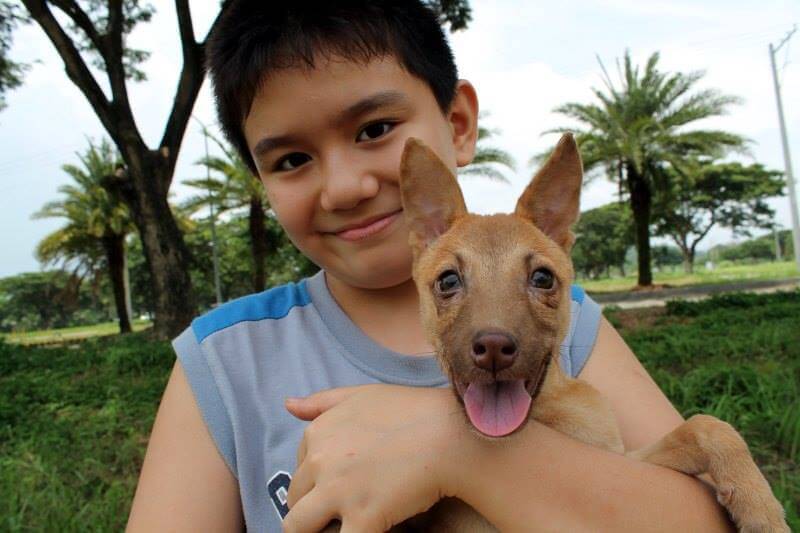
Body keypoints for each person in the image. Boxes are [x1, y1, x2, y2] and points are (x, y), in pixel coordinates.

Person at [127, 2, 733, 531]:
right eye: (290, 160)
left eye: (375, 128)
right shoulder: (227, 361)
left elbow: (702, 521)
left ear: (459, 124)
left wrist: (456, 450)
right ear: (259, 180)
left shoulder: (567, 328)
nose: (344, 188)